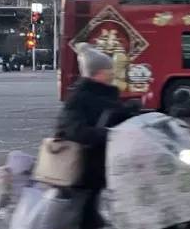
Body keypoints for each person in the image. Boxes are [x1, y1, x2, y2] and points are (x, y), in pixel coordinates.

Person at [55, 43, 139, 191]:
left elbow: (113, 116)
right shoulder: (78, 98)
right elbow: (74, 131)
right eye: (109, 70)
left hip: (108, 170)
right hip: (84, 174)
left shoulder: (106, 94)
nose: (112, 73)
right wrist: (109, 134)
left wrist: (130, 111)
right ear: (98, 73)